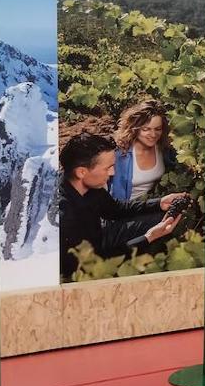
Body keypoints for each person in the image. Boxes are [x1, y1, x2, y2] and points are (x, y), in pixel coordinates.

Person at [58, 132, 185, 283]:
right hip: (84, 266)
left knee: (161, 220)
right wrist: (147, 238)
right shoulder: (63, 216)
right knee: (152, 240)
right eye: (108, 168)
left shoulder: (88, 185)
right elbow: (95, 263)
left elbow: (114, 210)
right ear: (81, 172)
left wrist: (158, 203)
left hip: (98, 239)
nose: (113, 173)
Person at [109, 100, 177, 202]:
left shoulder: (164, 149)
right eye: (146, 129)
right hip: (124, 211)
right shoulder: (120, 154)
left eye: (158, 129)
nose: (153, 135)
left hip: (153, 206)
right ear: (134, 128)